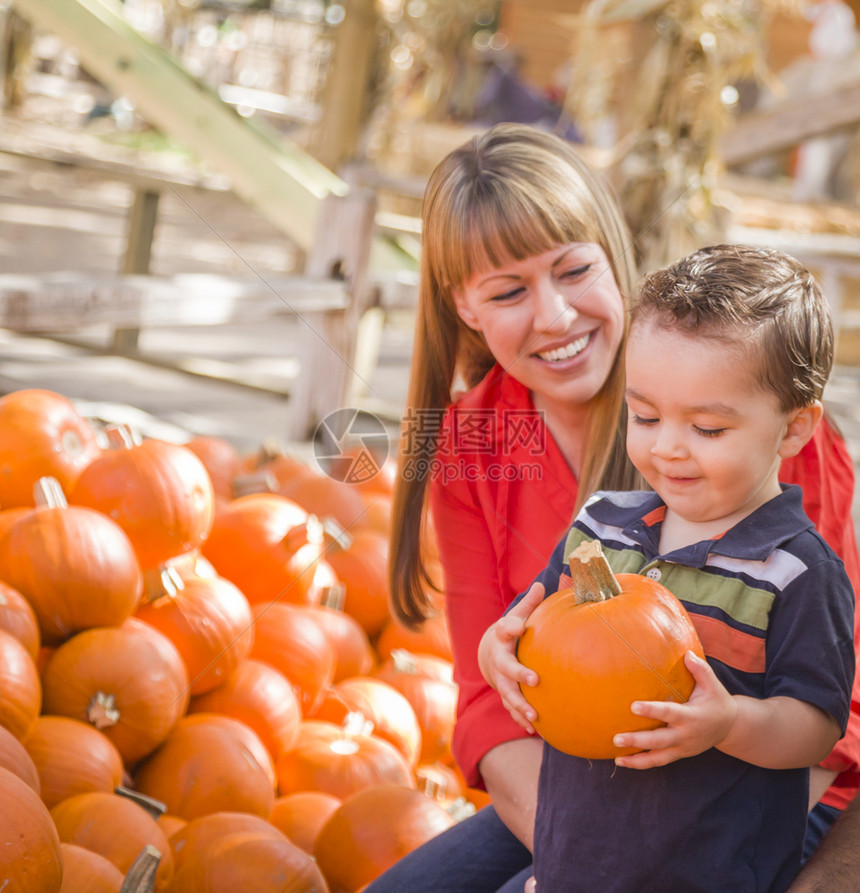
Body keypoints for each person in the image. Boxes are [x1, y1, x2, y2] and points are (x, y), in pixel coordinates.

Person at [370, 123, 860, 893]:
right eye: (507, 291)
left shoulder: (763, 426)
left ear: (614, 254)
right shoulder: (471, 442)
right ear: (464, 307)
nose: (558, 317)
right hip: (573, 801)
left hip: (751, 807)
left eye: (573, 269)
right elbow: (485, 705)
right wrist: (577, 861)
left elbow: (832, 709)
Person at [480, 243, 855, 892]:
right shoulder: (599, 528)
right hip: (577, 861)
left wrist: (731, 723)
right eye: (645, 415)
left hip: (708, 872)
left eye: (708, 428)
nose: (668, 447)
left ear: (795, 429)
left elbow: (816, 726)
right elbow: (531, 622)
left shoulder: (795, 572)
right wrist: (498, 650)